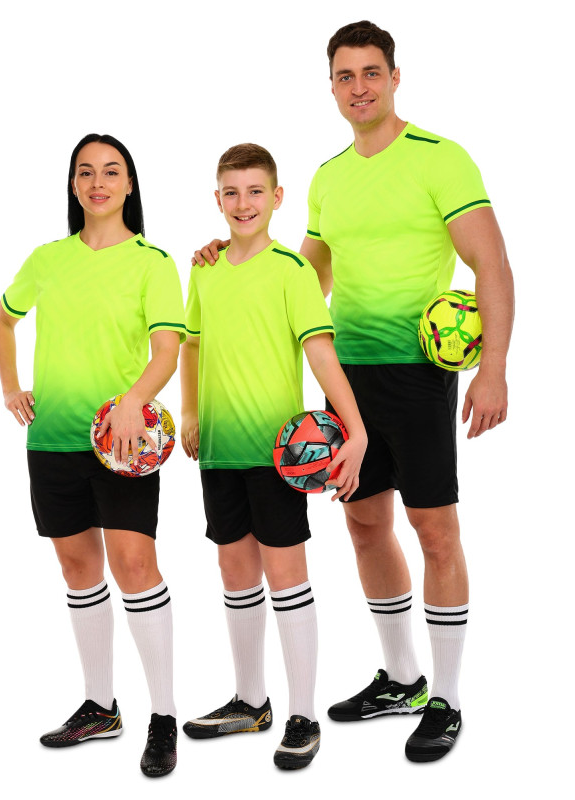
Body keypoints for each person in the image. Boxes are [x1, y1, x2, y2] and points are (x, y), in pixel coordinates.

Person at [192, 21, 514, 763]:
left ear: (395, 78)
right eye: (345, 76)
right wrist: (229, 252)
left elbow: (492, 262)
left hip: (418, 374)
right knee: (365, 525)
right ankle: (401, 679)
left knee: (436, 530)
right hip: (348, 377)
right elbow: (304, 274)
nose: (359, 87)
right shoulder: (329, 176)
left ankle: (447, 697)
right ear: (332, 87)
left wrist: (494, 365)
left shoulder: (441, 157)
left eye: (372, 72)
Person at [0, 133, 187, 778]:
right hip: (52, 439)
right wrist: (11, 387)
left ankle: (163, 716)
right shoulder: (48, 258)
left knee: (135, 566)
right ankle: (100, 707)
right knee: (78, 569)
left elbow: (167, 352)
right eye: (85, 172)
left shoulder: (153, 262)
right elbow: (1, 319)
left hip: (122, 445)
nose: (98, 182)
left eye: (111, 171)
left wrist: (133, 402)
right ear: (74, 185)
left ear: (129, 184)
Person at [180, 143, 367, 770]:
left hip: (278, 453)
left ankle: (302, 714)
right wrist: (189, 413)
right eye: (232, 193)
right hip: (219, 451)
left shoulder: (293, 273)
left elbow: (321, 354)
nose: (244, 203)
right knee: (235, 571)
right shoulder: (204, 270)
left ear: (277, 197)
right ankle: (250, 701)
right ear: (217, 200)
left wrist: (355, 430)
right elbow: (192, 345)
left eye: (255, 191)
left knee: (287, 575)